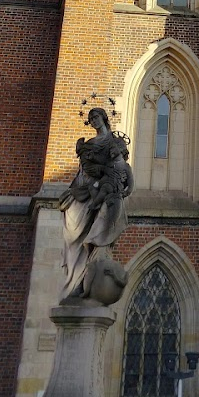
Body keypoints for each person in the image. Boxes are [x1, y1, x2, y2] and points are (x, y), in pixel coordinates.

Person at [59, 107, 134, 304]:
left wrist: (118, 185)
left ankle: (85, 283)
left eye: (96, 116)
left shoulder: (115, 142)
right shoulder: (89, 144)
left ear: (104, 118)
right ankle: (73, 281)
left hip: (106, 191)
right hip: (82, 190)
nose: (93, 120)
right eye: (90, 118)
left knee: (96, 239)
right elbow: (84, 168)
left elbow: (122, 169)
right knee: (73, 237)